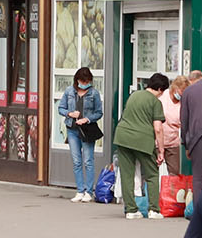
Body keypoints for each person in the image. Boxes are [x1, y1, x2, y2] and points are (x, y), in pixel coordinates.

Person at [115, 72, 169, 219]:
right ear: (160, 89)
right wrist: (161, 151)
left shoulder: (134, 95)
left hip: (122, 136)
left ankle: (131, 210)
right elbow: (158, 128)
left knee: (127, 175)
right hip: (142, 140)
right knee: (152, 174)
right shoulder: (155, 102)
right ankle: (154, 210)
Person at [58, 67, 104, 202]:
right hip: (72, 129)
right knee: (77, 161)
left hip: (87, 130)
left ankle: (89, 192)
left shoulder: (94, 93)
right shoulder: (69, 91)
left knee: (88, 161)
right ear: (77, 80)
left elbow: (99, 112)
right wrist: (70, 114)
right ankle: (79, 190)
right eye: (83, 81)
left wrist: (87, 119)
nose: (85, 84)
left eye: (87, 81)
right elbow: (61, 108)